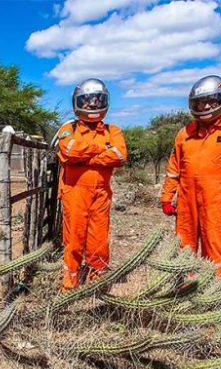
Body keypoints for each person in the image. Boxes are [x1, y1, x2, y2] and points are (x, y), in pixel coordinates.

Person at [161, 75, 221, 276]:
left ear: (220, 100)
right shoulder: (184, 133)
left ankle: (213, 296)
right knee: (184, 248)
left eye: (210, 101)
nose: (204, 107)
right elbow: (173, 169)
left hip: (217, 201)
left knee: (214, 249)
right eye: (200, 102)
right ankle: (184, 292)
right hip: (186, 202)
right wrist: (167, 198)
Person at [55, 78, 127, 291]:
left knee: (99, 240)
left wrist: (85, 157)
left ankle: (98, 284)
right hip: (74, 192)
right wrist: (101, 149)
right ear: (78, 102)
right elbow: (68, 151)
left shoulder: (113, 130)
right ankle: (70, 284)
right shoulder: (69, 127)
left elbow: (120, 155)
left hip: (101, 194)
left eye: (97, 100)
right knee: (74, 239)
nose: (93, 104)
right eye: (87, 100)